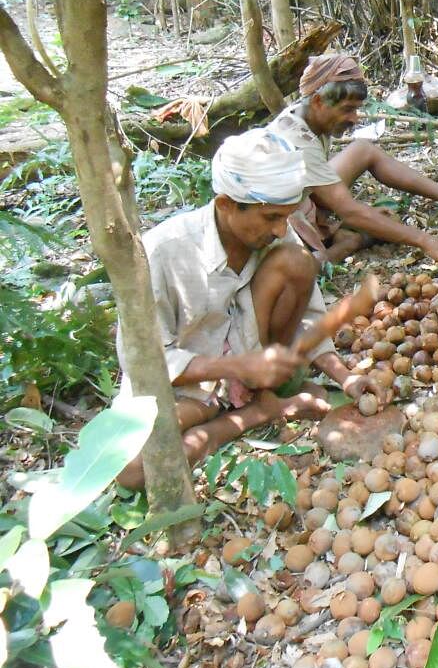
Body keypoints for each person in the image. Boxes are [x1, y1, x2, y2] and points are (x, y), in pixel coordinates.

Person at [116, 130, 388, 489]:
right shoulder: (163, 253)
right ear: (226, 204)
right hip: (195, 384)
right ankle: (261, 412)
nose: (280, 229)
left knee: (297, 261)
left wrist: (345, 377)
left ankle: (263, 395)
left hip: (256, 364)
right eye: (271, 218)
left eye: (285, 217)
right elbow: (145, 361)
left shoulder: (273, 232)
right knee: (132, 470)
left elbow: (309, 317)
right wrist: (233, 368)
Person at [268, 54, 438, 267]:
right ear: (318, 101)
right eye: (347, 110)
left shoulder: (309, 114)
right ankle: (349, 243)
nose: (354, 119)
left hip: (300, 199)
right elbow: (350, 211)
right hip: (277, 225)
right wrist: (427, 241)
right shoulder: (296, 141)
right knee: (303, 267)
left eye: (356, 110)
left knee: (362, 149)